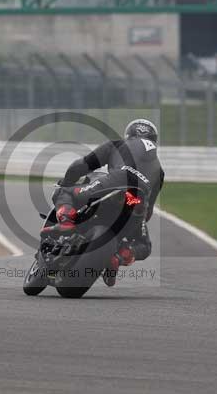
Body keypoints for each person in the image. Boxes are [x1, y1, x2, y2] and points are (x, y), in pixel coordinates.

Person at [52, 118, 164, 286]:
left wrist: (67, 181)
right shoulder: (160, 171)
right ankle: (119, 257)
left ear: (129, 134)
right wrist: (137, 222)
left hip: (113, 183)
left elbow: (81, 166)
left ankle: (67, 220)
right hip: (136, 199)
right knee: (144, 245)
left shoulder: (118, 145)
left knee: (64, 192)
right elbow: (148, 212)